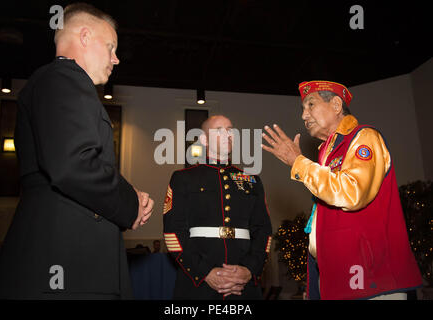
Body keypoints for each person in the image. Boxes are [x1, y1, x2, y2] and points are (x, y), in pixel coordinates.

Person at [0, 3, 154, 299]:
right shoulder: (64, 77)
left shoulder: (56, 82)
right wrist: (129, 203)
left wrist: (127, 194)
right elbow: (73, 165)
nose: (116, 59)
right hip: (66, 262)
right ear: (86, 36)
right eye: (111, 46)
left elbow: (75, 162)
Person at [262, 80, 422, 300]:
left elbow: (351, 193)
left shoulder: (364, 137)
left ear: (337, 105)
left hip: (371, 280)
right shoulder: (327, 152)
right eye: (302, 109)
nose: (304, 115)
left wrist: (298, 162)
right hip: (339, 278)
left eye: (310, 105)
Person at [163, 115, 272, 299]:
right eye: (219, 130)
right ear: (204, 139)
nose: (227, 134)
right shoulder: (184, 179)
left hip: (243, 284)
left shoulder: (252, 180)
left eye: (230, 129)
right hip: (198, 283)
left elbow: (263, 231)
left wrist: (249, 270)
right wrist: (205, 272)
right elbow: (173, 232)